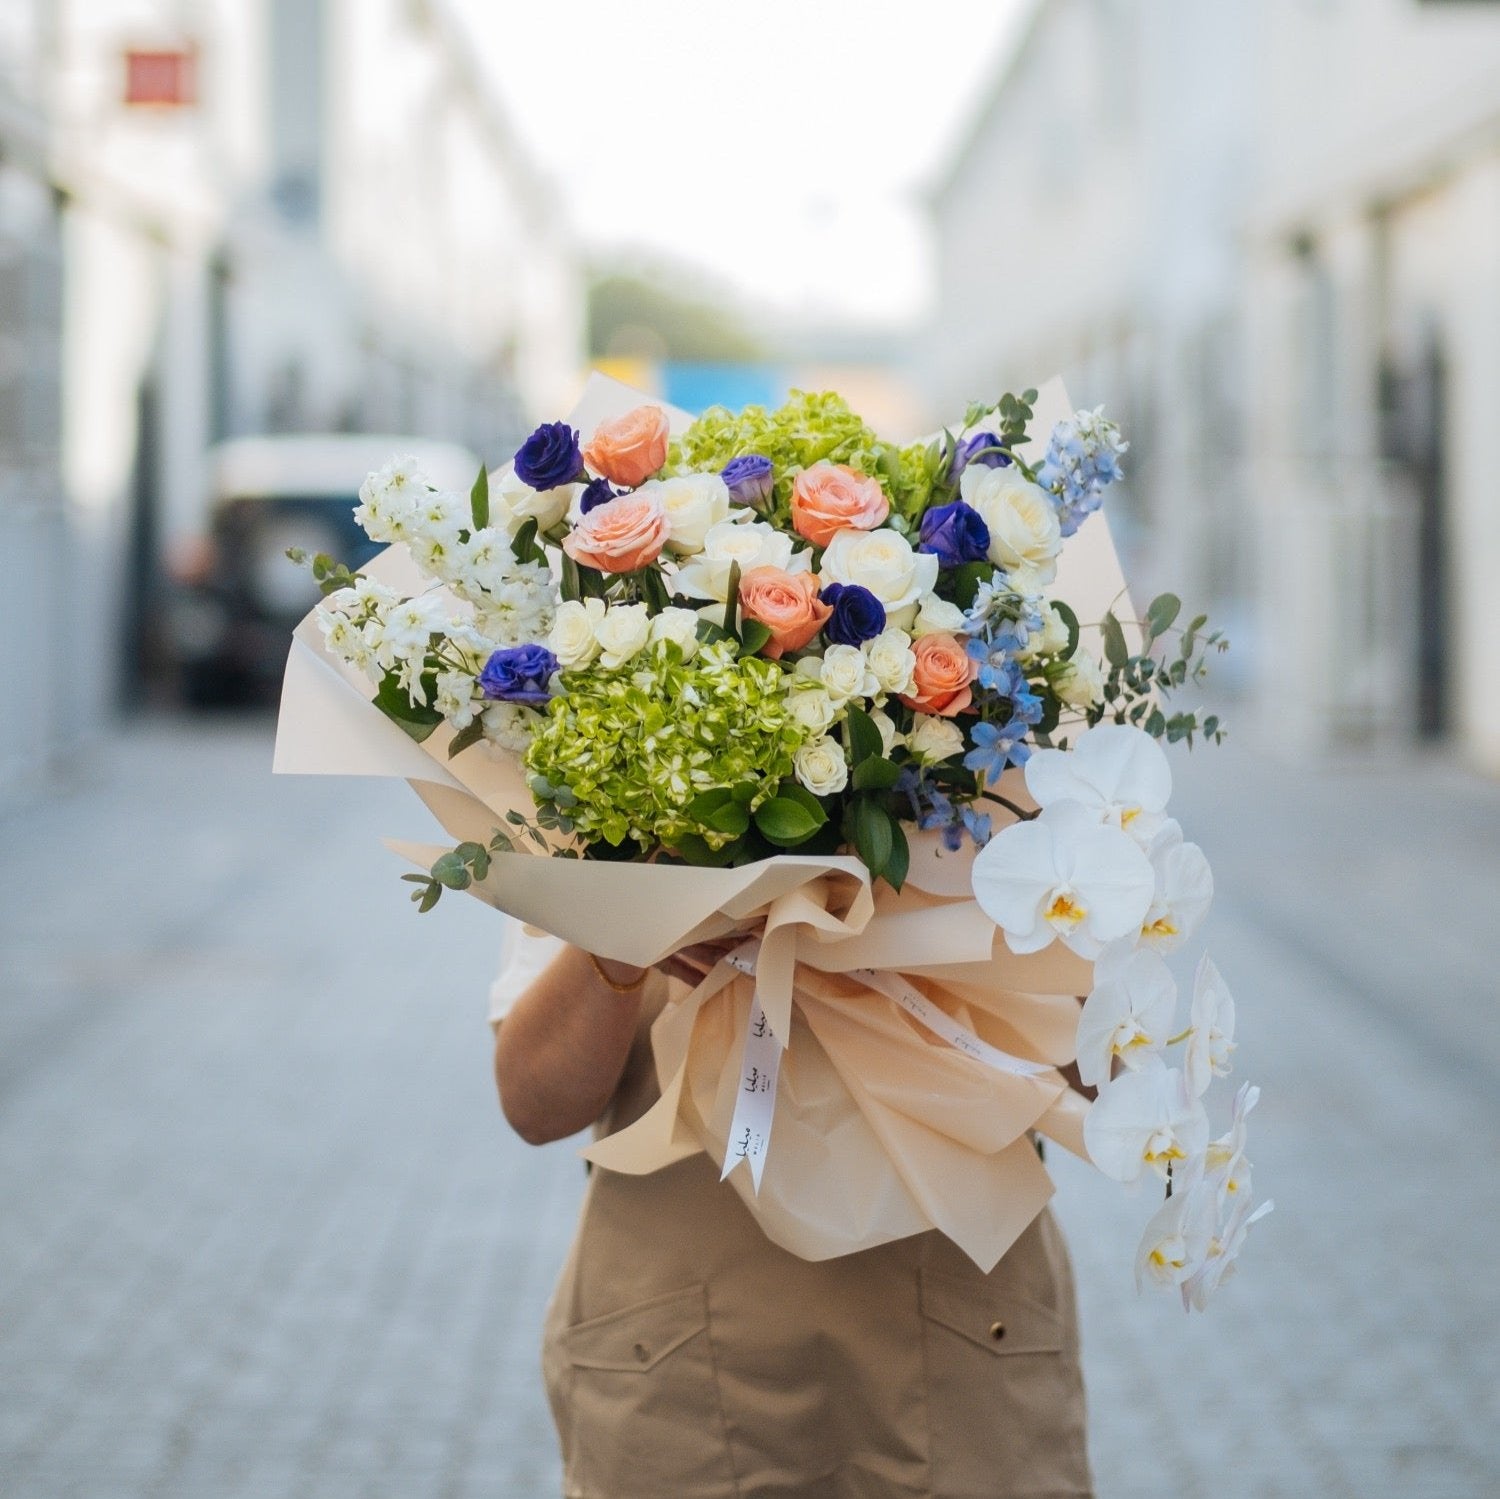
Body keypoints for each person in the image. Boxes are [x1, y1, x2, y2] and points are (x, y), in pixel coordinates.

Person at [490, 919, 1094, 1499]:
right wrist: (622, 925)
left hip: (964, 1359)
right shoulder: (575, 828)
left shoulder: (1029, 816)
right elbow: (535, 1102)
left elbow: (1106, 1068)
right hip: (677, 1372)